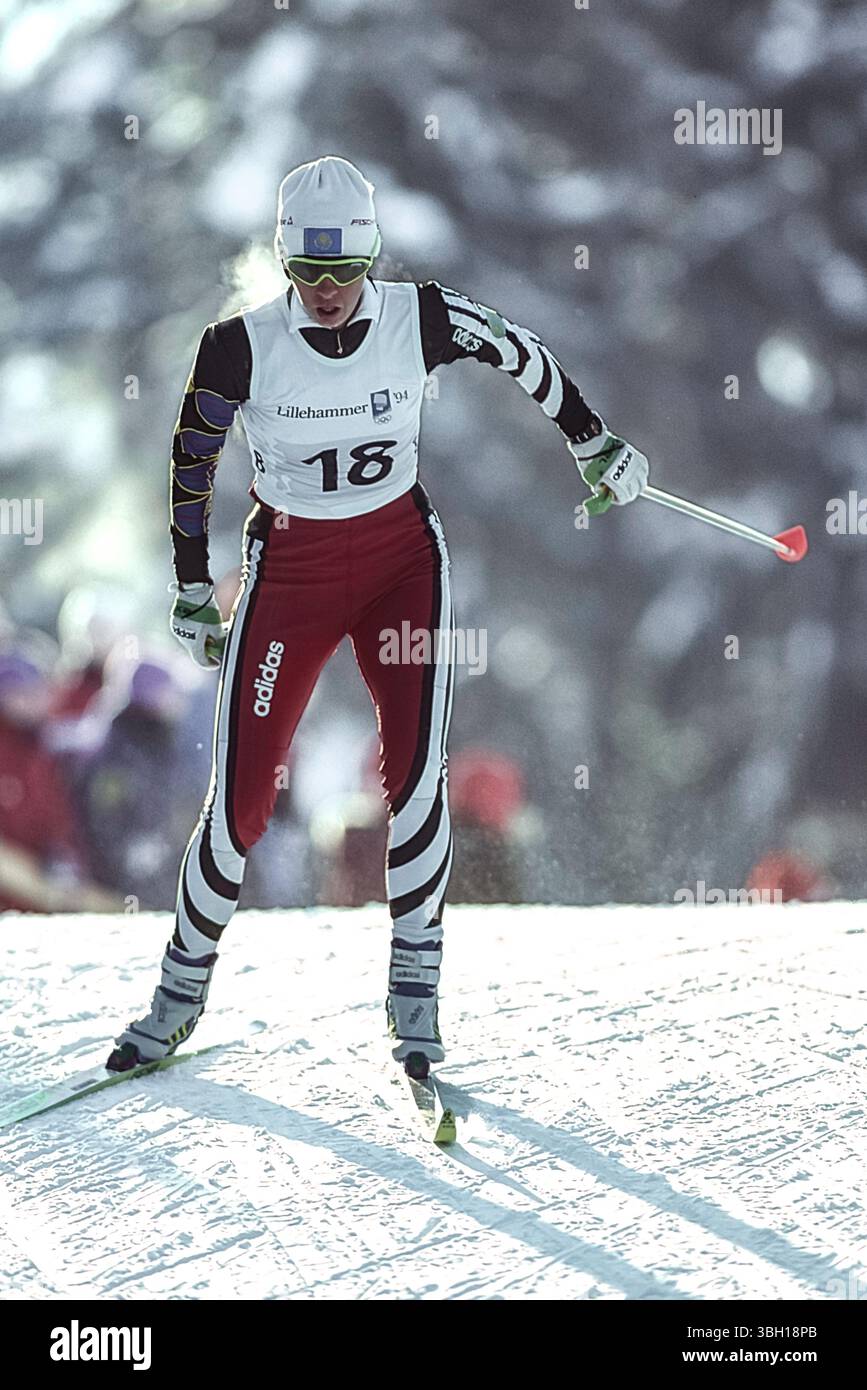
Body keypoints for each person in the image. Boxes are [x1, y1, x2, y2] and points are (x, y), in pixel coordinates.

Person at [108, 155, 649, 1079]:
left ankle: (414, 1004)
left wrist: (593, 442)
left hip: (402, 565)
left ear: (372, 260)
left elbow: (522, 352)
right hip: (291, 576)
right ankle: (176, 997)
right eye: (307, 274)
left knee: (414, 782)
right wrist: (192, 585)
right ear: (283, 262)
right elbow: (189, 466)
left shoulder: (419, 315)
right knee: (239, 804)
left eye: (344, 272)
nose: (326, 293)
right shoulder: (237, 345)